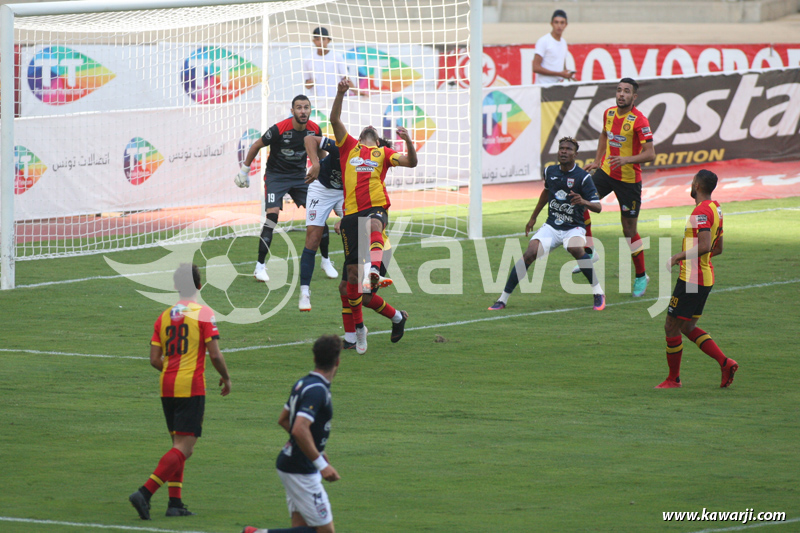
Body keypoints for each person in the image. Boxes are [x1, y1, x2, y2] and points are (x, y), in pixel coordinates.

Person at [129, 263, 231, 520]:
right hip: (190, 387)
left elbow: (154, 359)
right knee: (184, 447)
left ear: (176, 286)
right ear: (199, 285)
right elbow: (215, 354)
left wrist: (171, 369)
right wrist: (226, 377)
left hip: (167, 386)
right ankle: (145, 492)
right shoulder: (203, 314)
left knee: (179, 445)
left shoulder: (162, 317)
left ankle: (175, 503)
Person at [330, 79, 414, 354]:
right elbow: (334, 118)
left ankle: (375, 270)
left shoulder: (383, 153)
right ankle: (373, 327)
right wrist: (341, 92)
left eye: (373, 132)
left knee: (376, 223)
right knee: (350, 287)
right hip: (352, 216)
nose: (368, 129)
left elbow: (411, 162)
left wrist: (409, 142)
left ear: (378, 140)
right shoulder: (348, 146)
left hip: (374, 212)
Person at [488, 137, 605, 311]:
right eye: (561, 148)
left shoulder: (583, 177)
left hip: (574, 227)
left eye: (568, 149)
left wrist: (583, 201)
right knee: (529, 253)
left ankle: (598, 293)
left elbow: (598, 207)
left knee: (575, 248)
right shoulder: (550, 171)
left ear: (575, 154)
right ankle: (502, 299)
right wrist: (533, 217)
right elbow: (546, 192)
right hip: (552, 227)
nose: (564, 151)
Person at [242, 335, 342, 533]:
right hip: (301, 469)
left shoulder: (303, 383)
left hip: (291, 462)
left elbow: (283, 419)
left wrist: (317, 451)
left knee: (300, 526)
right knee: (325, 531)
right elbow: (298, 428)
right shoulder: (317, 390)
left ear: (314, 359)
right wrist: (321, 464)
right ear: (337, 361)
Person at [656, 170, 737, 389]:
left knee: (671, 326)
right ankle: (725, 363)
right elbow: (716, 248)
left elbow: (703, 246)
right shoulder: (716, 208)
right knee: (688, 327)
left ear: (697, 186)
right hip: (704, 276)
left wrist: (677, 257)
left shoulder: (700, 212)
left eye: (692, 183)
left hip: (692, 279)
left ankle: (674, 379)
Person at [235, 95, 322, 283]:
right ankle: (259, 267)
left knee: (318, 211)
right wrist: (244, 170)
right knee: (272, 217)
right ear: (292, 111)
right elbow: (256, 145)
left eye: (306, 107)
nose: (303, 111)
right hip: (276, 177)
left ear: (310, 110)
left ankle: (326, 260)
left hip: (300, 177)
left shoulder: (315, 129)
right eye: (298, 107)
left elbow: (321, 154)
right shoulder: (279, 129)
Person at [585, 77, 656, 297]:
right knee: (580, 202)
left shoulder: (639, 121)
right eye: (618, 90)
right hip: (606, 172)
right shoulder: (608, 113)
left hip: (629, 181)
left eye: (626, 91)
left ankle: (641, 275)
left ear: (634, 96)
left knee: (629, 230)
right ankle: (590, 250)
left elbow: (651, 154)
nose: (621, 94)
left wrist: (626, 160)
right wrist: (598, 161)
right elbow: (604, 135)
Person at [297, 134, 346, 311]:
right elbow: (309, 139)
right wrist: (316, 162)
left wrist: (347, 220)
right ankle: (304, 293)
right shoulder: (341, 146)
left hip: (344, 193)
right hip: (321, 189)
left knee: (360, 228)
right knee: (313, 238)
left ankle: (367, 275)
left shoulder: (366, 158)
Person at [303, 27, 355, 98]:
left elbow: (345, 78)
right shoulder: (308, 59)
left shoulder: (337, 56)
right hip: (317, 100)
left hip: (335, 99)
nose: (320, 42)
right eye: (317, 39)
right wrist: (314, 80)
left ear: (328, 40)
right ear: (314, 41)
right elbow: (307, 85)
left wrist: (357, 92)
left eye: (323, 39)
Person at [532, 9, 576, 86]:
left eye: (562, 23)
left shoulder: (563, 42)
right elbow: (536, 67)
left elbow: (561, 66)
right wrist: (559, 74)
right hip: (544, 87)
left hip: (557, 86)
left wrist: (568, 75)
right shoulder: (544, 41)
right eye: (556, 22)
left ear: (566, 25)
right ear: (551, 24)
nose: (559, 26)